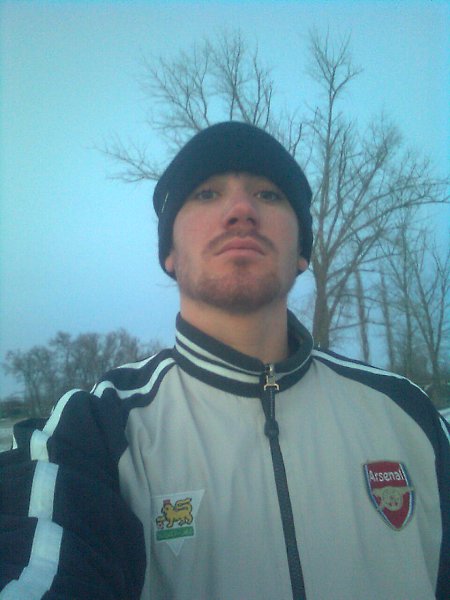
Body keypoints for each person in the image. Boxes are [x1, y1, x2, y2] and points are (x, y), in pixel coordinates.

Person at [0, 121, 448, 600]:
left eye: (268, 194)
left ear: (302, 252)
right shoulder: (96, 430)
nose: (241, 211)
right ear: (169, 254)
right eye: (207, 193)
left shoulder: (407, 415)